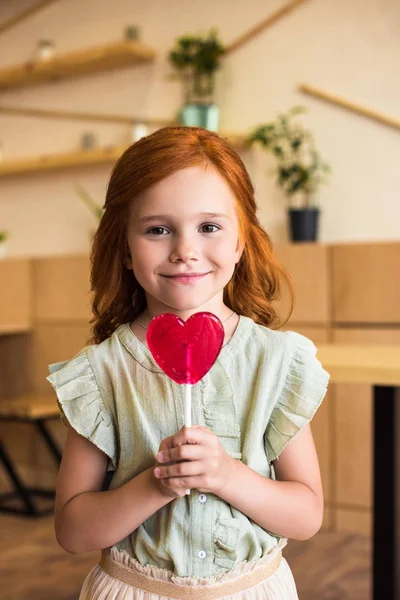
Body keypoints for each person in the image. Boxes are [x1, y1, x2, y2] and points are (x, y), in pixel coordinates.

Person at [47, 126, 330, 600]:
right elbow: (73, 531)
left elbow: (306, 516)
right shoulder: (102, 374)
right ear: (124, 248)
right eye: (158, 229)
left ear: (241, 241)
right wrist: (156, 485)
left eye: (210, 227)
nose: (185, 250)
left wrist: (226, 475)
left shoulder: (276, 362)